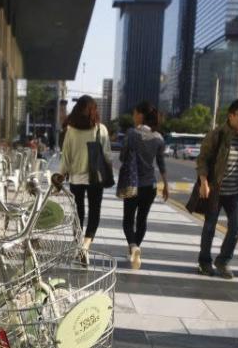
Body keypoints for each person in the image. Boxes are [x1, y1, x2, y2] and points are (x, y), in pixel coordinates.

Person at [196, 98, 238, 279]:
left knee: (236, 227)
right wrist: (204, 182)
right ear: (231, 116)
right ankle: (205, 262)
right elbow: (202, 159)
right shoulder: (217, 134)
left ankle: (223, 261)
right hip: (215, 190)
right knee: (210, 227)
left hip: (235, 192)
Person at [60, 95, 112, 254]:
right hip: (95, 177)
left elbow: (66, 156)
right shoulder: (100, 129)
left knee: (78, 212)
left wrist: (61, 176)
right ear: (93, 110)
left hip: (76, 178)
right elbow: (108, 155)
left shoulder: (71, 130)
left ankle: (77, 243)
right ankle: (86, 245)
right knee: (94, 211)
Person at [119, 101, 169, 269]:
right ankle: (135, 250)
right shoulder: (159, 138)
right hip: (151, 186)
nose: (133, 116)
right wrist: (166, 186)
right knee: (142, 219)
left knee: (127, 219)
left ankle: (133, 246)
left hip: (133, 184)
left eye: (134, 113)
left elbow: (122, 157)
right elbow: (161, 164)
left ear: (140, 115)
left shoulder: (132, 134)